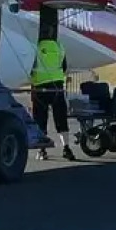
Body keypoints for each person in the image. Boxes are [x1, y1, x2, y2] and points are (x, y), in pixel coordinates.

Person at [30, 9, 75, 161]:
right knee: (61, 119)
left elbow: (30, 67)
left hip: (40, 87)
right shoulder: (59, 47)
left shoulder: (35, 47)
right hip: (57, 87)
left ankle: (42, 150)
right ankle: (66, 148)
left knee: (40, 119)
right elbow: (64, 67)